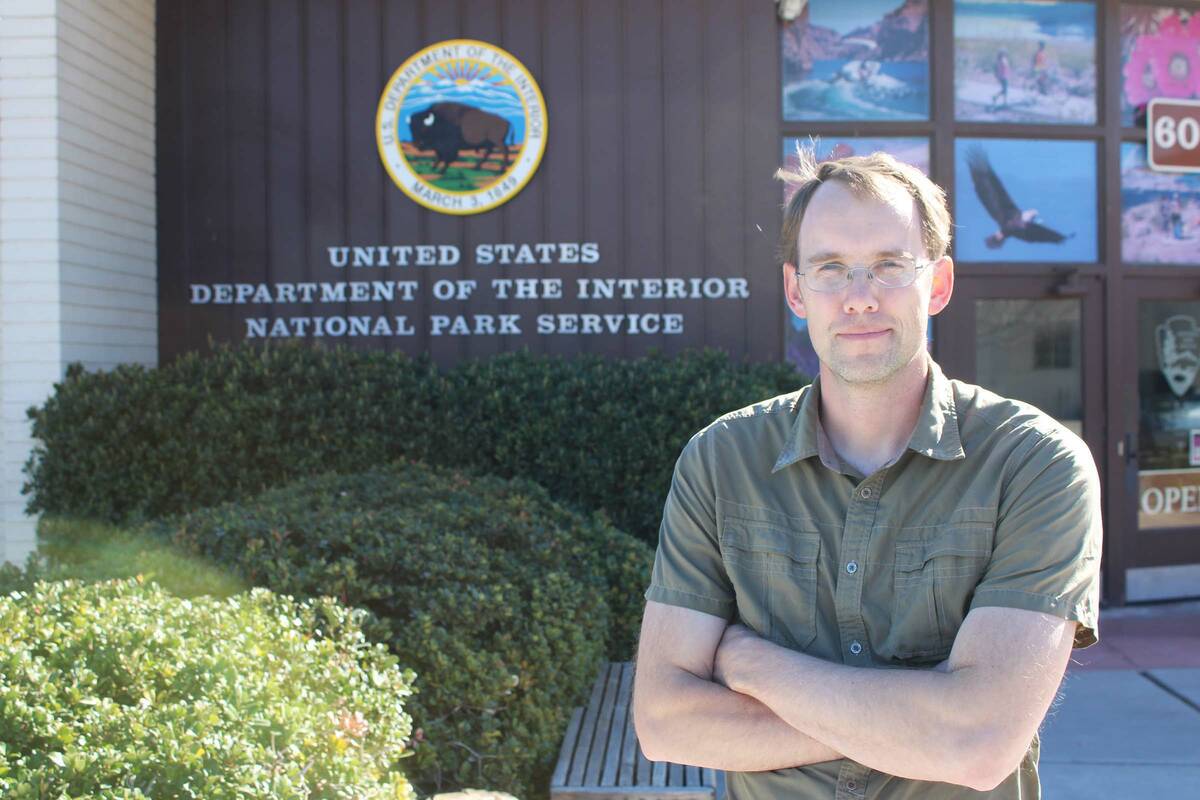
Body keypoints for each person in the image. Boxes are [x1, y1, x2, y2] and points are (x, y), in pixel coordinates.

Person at [632, 148, 1102, 799]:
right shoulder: (721, 461)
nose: (859, 298)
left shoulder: (1033, 465)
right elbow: (664, 724)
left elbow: (978, 743)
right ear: (797, 291)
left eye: (889, 266)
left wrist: (746, 662)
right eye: (831, 269)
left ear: (937, 285)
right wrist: (921, 721)